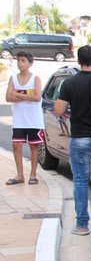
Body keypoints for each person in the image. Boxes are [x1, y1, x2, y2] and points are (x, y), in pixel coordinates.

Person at [54, 45, 91, 235]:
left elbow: (59, 110)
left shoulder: (69, 84)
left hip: (78, 138)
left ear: (78, 61)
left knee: (80, 181)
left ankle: (82, 225)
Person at [5, 51, 44, 186]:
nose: (20, 63)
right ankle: (20, 175)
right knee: (16, 145)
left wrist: (18, 93)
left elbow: (37, 97)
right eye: (18, 60)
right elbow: (8, 97)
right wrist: (27, 94)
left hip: (34, 119)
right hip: (19, 119)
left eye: (23, 60)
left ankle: (33, 174)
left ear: (30, 63)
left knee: (34, 146)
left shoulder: (35, 79)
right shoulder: (13, 79)